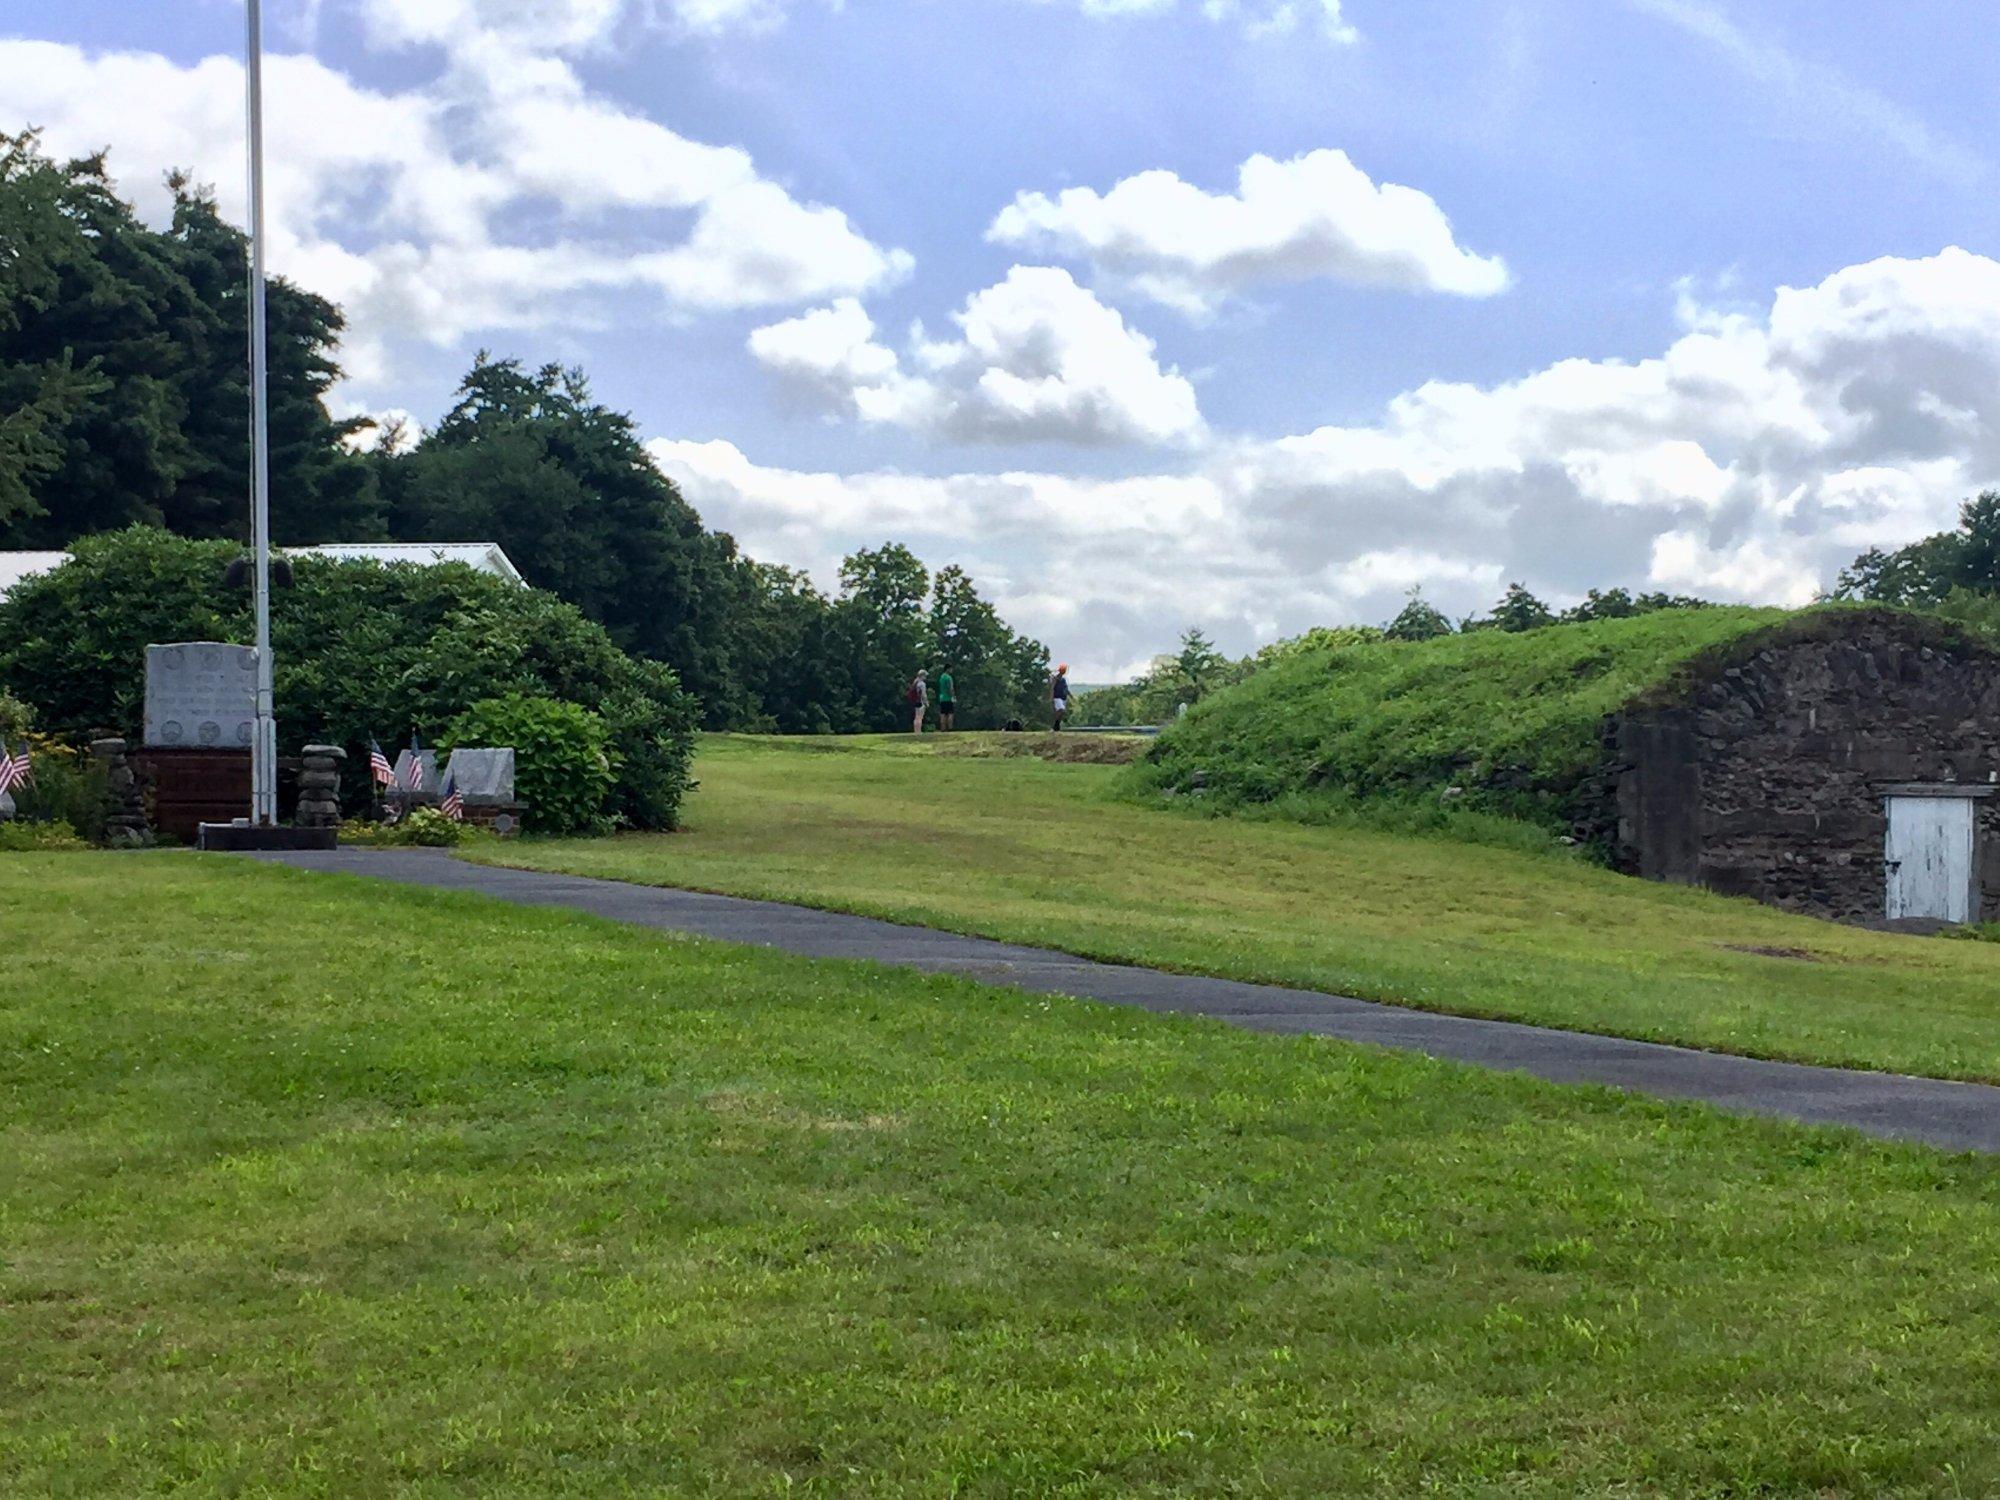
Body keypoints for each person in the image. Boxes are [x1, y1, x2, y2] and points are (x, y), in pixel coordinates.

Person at [907, 668, 928, 734]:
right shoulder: (922, 684)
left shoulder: (915, 682)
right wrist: (926, 702)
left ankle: (916, 731)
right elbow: (923, 694)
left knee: (916, 717)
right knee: (920, 717)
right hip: (920, 701)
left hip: (915, 701)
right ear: (922, 675)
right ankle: (919, 731)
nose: (925, 677)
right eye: (925, 676)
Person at [1051, 663, 1071, 731]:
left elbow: (1066, 689)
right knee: (1061, 710)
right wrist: (1051, 697)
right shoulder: (1055, 679)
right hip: (1057, 697)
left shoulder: (1063, 680)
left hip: (1063, 698)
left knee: (1062, 713)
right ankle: (1055, 724)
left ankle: (1057, 726)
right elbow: (1052, 688)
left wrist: (1070, 696)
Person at [936, 667, 956, 731]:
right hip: (948, 698)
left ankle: (943, 728)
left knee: (943, 714)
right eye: (951, 669)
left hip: (942, 698)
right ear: (948, 669)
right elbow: (951, 688)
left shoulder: (941, 677)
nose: (952, 670)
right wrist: (953, 696)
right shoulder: (949, 678)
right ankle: (950, 728)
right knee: (950, 714)